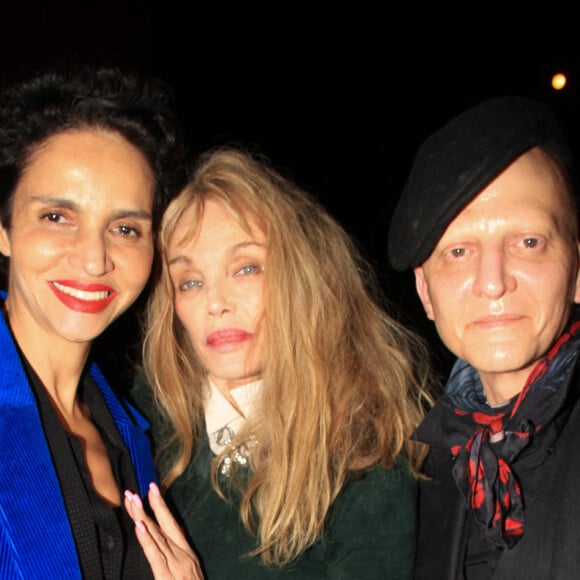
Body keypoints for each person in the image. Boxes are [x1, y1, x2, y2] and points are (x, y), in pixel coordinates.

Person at [130, 145, 434, 578]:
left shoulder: (364, 448)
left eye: (246, 269)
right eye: (191, 281)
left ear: (300, 275)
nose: (216, 303)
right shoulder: (142, 419)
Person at [0, 63, 202, 579]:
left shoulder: (131, 431)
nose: (94, 259)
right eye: (56, 217)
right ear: (3, 230)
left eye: (125, 228)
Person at [388, 95, 580, 579]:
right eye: (458, 251)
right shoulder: (423, 464)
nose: (492, 281)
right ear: (425, 291)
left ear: (578, 268)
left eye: (528, 242)